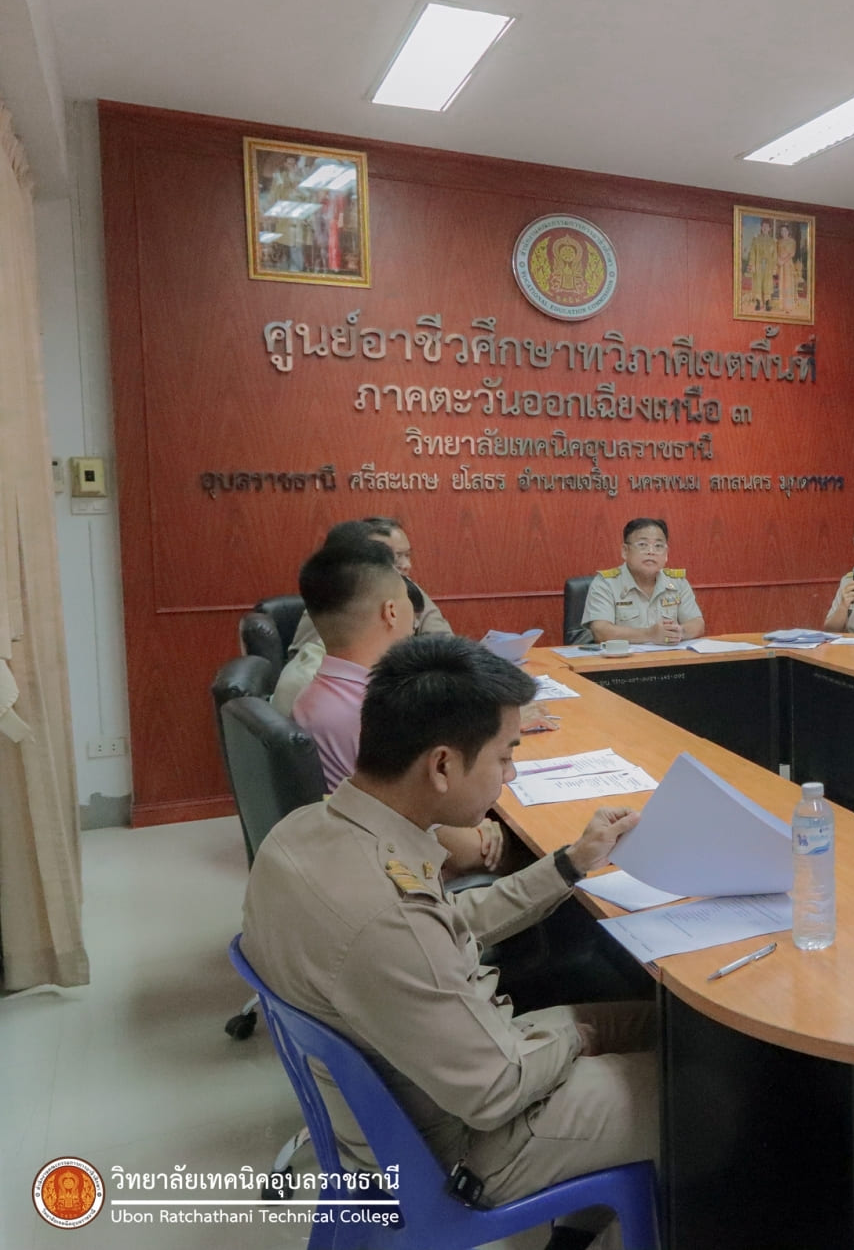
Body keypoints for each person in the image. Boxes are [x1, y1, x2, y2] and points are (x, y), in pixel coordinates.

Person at [242, 636, 651, 1250]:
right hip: (459, 1145)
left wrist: (570, 863)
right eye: (504, 757)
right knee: (697, 1078)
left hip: (425, 1084)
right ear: (442, 765)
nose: (510, 776)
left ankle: (584, 1218)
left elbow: (448, 922)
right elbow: (497, 1093)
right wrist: (581, 1036)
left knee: (651, 1024)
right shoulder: (387, 915)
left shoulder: (303, 832)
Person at [289, 534, 501, 874]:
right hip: (394, 871)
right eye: (407, 602)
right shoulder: (373, 712)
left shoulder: (315, 692)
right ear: (391, 612)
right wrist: (484, 833)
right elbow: (460, 850)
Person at [276, 517, 450, 716]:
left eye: (407, 555)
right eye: (394, 557)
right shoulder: (333, 606)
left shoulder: (402, 589)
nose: (405, 565)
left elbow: (443, 640)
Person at [581, 517, 705, 645]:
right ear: (625, 551)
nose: (651, 552)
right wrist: (650, 634)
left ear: (666, 553)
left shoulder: (677, 582)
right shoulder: (606, 583)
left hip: (669, 655)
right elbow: (601, 631)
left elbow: (697, 623)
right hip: (625, 657)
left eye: (658, 546)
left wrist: (679, 632)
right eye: (642, 545)